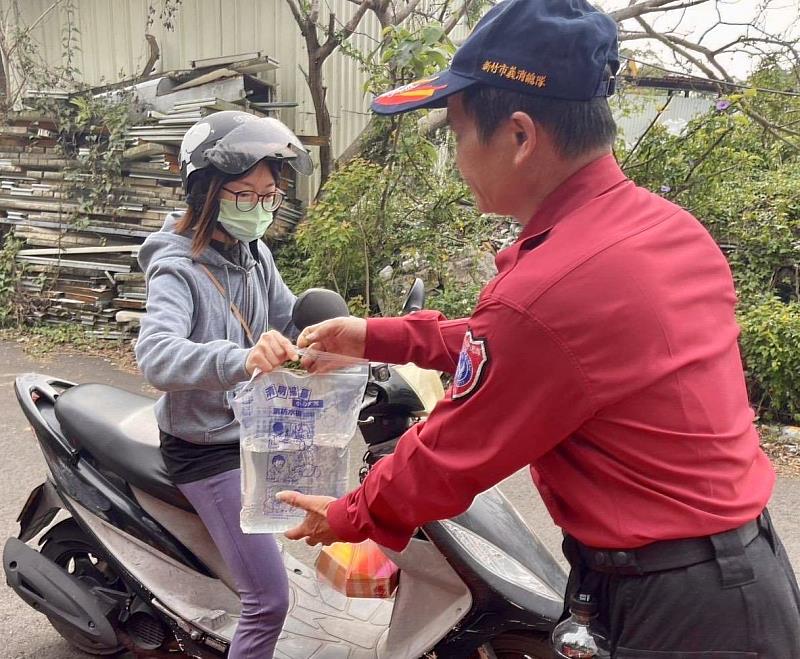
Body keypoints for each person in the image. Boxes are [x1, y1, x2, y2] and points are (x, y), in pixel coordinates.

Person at [277, 0, 800, 655]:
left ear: (520, 136)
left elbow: (449, 452)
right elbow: (537, 351)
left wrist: (351, 513)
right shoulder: (661, 228)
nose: (458, 156)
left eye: (458, 133)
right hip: (736, 580)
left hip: (682, 614)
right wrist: (376, 336)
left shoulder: (553, 286)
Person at [135, 111, 309, 659]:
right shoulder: (177, 269)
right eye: (245, 195)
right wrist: (241, 358)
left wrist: (346, 337)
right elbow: (156, 355)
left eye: (269, 196)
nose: (259, 208)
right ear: (205, 191)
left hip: (253, 429)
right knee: (268, 600)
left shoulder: (253, 252)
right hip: (205, 447)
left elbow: (290, 318)